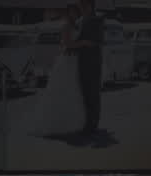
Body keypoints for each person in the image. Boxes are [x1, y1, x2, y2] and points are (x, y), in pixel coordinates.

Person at [31, 4, 86, 137]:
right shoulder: (66, 26)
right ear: (68, 13)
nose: (73, 14)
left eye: (75, 12)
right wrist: (82, 44)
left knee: (74, 90)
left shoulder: (77, 26)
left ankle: (73, 123)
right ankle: (58, 124)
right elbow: (67, 43)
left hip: (75, 60)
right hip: (67, 59)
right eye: (71, 12)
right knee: (63, 89)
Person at [71, 0, 103, 135]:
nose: (82, 8)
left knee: (93, 94)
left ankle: (93, 124)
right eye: (80, 6)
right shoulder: (80, 21)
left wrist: (82, 43)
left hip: (93, 62)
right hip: (82, 61)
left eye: (84, 6)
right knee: (84, 93)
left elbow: (98, 41)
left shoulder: (98, 19)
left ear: (90, 5)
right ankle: (87, 122)